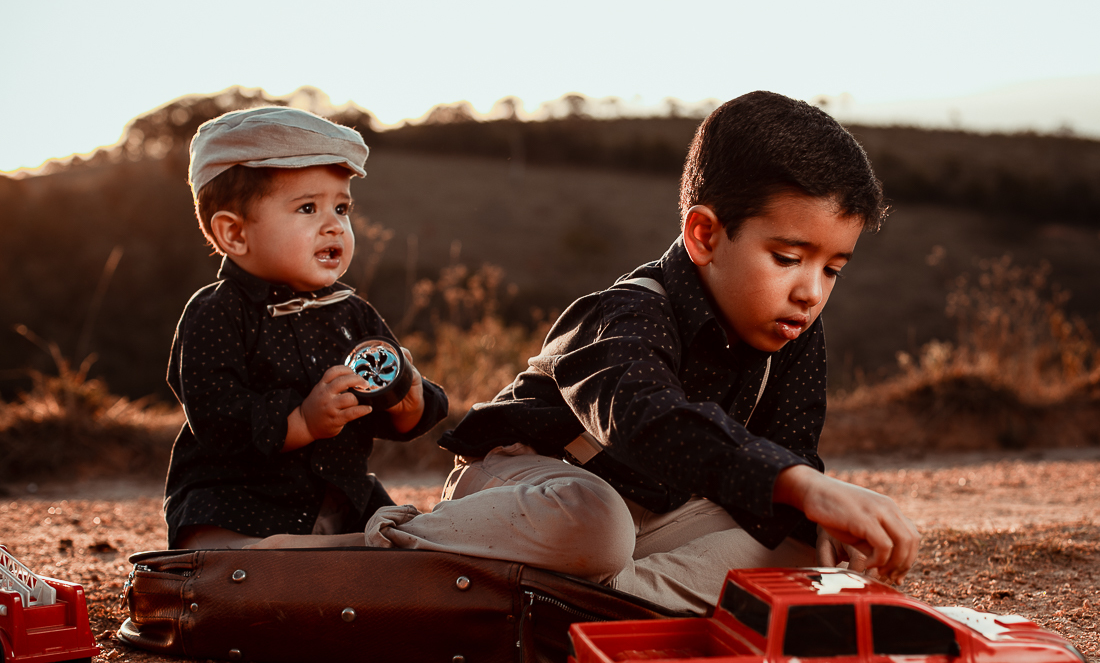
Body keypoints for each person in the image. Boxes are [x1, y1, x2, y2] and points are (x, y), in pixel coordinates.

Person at [364, 91, 920, 614]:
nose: (811, 292)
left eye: (832, 270)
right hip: (532, 483)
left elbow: (786, 456)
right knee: (598, 527)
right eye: (787, 258)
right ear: (703, 235)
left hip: (652, 516)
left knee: (806, 547)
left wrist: (814, 512)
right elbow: (641, 418)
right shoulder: (626, 312)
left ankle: (590, 598)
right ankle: (405, 535)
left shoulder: (794, 331)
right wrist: (803, 486)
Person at [164, 107, 448, 550]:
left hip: (337, 501)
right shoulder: (217, 312)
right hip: (240, 502)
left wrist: (408, 400)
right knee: (230, 555)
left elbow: (391, 401)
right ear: (235, 234)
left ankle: (327, 558)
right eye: (308, 208)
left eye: (342, 207)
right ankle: (285, 563)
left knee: (410, 547)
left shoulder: (352, 312)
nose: (334, 224)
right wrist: (302, 422)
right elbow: (216, 417)